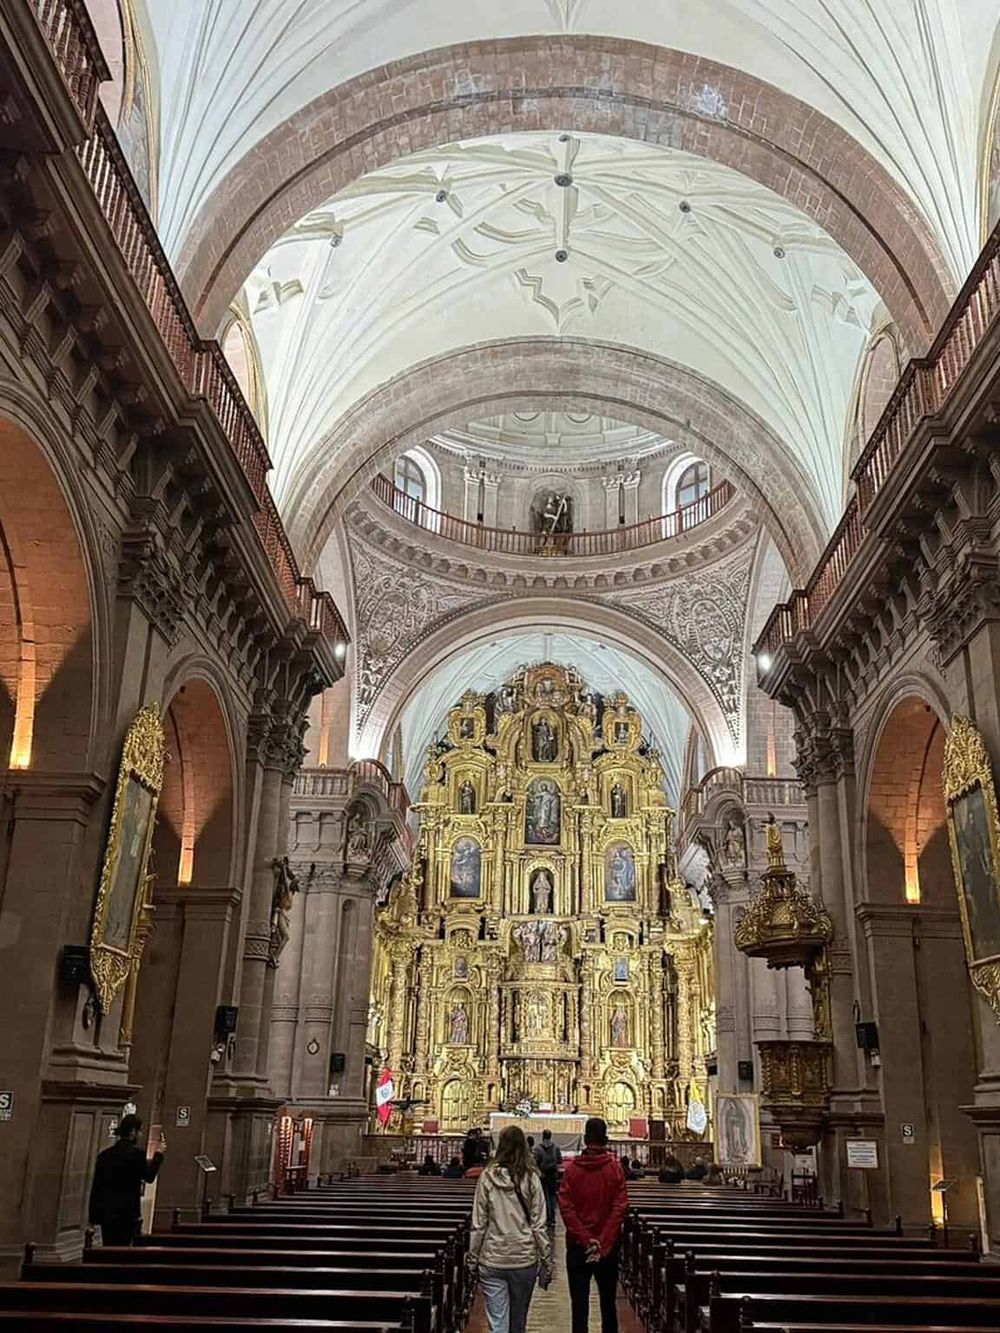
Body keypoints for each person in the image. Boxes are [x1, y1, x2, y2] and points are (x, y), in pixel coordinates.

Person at [468, 1125, 552, 1333]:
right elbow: (538, 1224)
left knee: (498, 1324)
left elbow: (479, 1224)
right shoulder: (532, 1177)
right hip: (524, 1258)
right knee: (518, 1323)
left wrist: (472, 1257)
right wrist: (546, 1258)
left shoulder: (487, 1177)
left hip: (493, 1257)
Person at [558, 1117, 628, 1333]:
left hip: (579, 1248)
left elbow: (566, 1208)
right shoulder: (614, 1169)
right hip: (607, 1249)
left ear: (585, 1139)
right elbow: (620, 1207)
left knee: (579, 1306)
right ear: (605, 1139)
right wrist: (602, 1242)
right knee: (608, 1304)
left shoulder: (572, 1170)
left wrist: (586, 1240)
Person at [88, 1115, 165, 1245]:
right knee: (124, 1246)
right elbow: (149, 1177)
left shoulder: (104, 1156)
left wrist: (92, 1216)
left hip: (107, 1211)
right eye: (139, 1131)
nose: (140, 1135)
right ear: (133, 1132)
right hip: (128, 1212)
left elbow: (96, 1187)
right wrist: (158, 1154)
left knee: (109, 1245)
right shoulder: (137, 1155)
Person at [533, 1128, 562, 1227]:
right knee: (552, 1197)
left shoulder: (538, 1149)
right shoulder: (555, 1148)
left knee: (544, 1197)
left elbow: (535, 1163)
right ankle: (552, 1218)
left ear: (543, 1136)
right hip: (553, 1175)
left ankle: (546, 1217)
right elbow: (559, 1161)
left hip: (543, 1175)